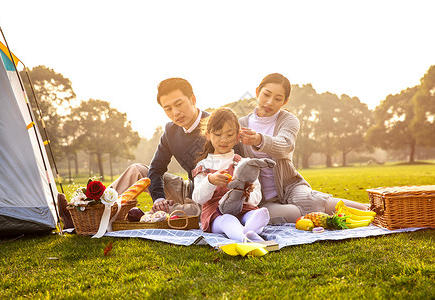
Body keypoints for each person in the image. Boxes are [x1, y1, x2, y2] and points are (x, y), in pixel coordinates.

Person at [238, 73, 369, 224]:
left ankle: (369, 210)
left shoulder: (288, 120)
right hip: (260, 197)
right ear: (257, 92)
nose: (269, 102)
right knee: (293, 213)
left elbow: (284, 146)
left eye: (278, 99)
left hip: (290, 186)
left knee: (312, 201)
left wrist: (258, 139)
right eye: (266, 95)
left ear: (285, 101)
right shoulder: (241, 124)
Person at [110, 77, 209, 216]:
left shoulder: (216, 125)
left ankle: (172, 212)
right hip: (187, 188)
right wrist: (159, 198)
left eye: (179, 104)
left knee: (196, 213)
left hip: (211, 197)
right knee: (138, 170)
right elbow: (156, 169)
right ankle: (93, 207)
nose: (175, 113)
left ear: (193, 99)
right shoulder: (170, 131)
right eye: (168, 109)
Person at [192, 107, 270, 242]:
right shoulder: (203, 167)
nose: (223, 140)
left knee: (255, 214)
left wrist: (246, 193)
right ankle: (245, 238)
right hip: (216, 215)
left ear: (237, 136)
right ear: (208, 135)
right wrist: (210, 181)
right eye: (217, 134)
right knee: (228, 219)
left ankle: (249, 232)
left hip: (244, 210)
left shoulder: (244, 163)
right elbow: (198, 198)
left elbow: (257, 196)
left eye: (229, 134)